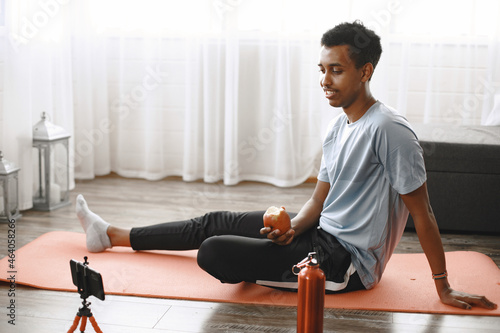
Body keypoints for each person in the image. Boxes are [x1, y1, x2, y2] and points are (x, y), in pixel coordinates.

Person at [76, 21, 496, 310]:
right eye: (322, 70)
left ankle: (261, 263)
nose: (325, 81)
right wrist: (293, 227)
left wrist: (442, 286)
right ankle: (111, 235)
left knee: (213, 251)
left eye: (336, 70)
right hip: (317, 233)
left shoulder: (390, 130)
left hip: (344, 263)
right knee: (215, 220)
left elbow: (423, 214)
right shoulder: (338, 126)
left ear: (365, 71)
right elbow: (318, 200)